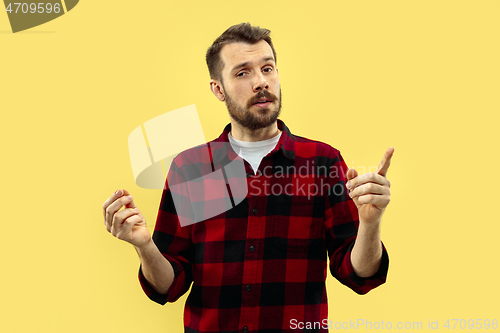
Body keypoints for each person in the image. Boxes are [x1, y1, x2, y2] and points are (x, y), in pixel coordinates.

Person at [102, 23, 393, 333]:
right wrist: (145, 246)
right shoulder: (192, 168)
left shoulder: (322, 162)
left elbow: (359, 274)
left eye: (267, 69)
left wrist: (370, 224)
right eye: (242, 73)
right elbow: (167, 287)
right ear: (218, 89)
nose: (260, 82)